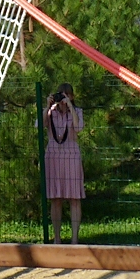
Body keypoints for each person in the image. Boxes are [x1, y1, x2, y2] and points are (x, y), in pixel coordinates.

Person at [44, 83, 84, 244]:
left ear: (72, 97)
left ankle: (75, 239)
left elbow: (79, 127)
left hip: (72, 156)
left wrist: (70, 108)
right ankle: (57, 239)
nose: (62, 99)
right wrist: (47, 107)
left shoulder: (78, 111)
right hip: (53, 156)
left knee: (74, 198)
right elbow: (39, 125)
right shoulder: (50, 112)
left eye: (66, 95)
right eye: (60, 95)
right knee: (56, 198)